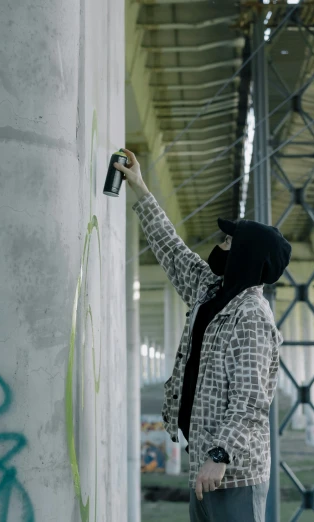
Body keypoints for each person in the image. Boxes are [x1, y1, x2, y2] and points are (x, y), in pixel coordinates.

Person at [116, 149, 291, 522]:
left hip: (232, 474)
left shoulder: (252, 319)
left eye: (229, 243)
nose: (220, 245)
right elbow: (173, 251)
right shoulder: (209, 291)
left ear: (244, 256)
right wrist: (141, 189)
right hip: (206, 464)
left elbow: (250, 401)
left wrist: (219, 455)